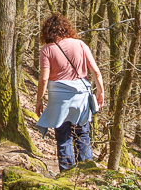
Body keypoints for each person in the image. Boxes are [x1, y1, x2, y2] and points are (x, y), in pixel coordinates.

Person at [34, 12, 105, 171]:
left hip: (59, 98)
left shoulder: (47, 49)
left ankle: (66, 174)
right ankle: (86, 172)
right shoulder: (80, 45)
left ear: (47, 32)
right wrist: (101, 91)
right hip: (80, 96)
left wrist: (39, 100)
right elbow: (96, 71)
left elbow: (44, 79)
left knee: (63, 136)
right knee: (83, 134)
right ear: (66, 28)